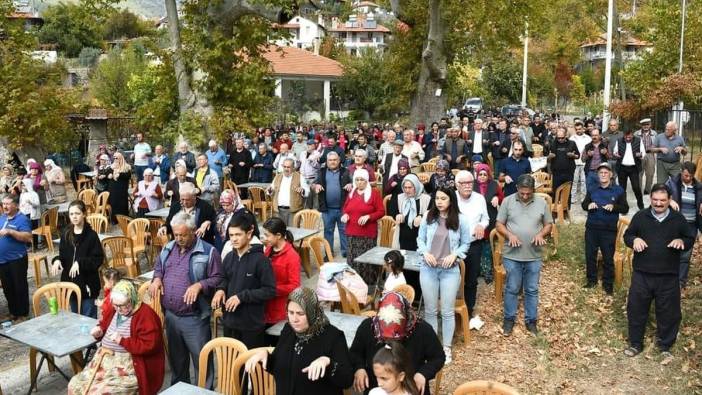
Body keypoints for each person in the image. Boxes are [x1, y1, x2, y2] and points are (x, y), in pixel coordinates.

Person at [623, 184, 696, 358]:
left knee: (669, 312)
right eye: (655, 200)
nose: (658, 204)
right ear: (651, 199)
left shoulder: (678, 219)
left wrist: (682, 241)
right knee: (636, 309)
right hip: (642, 274)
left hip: (668, 275)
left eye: (662, 200)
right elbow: (628, 235)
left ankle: (665, 346)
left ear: (669, 200)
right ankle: (635, 344)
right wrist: (634, 239)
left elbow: (689, 237)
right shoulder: (641, 217)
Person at [150, 211, 223, 387]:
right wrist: (157, 278)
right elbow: (159, 267)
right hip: (172, 316)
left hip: (194, 318)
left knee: (201, 361)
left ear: (193, 231)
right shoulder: (168, 248)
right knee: (177, 362)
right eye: (175, 234)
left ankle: (205, 391)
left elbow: (219, 278)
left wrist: (200, 285)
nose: (179, 238)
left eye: (183, 235)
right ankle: (179, 389)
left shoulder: (208, 251)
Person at [244, 287, 354, 395]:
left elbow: (347, 380)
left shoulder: (333, 336)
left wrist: (328, 363)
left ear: (312, 312)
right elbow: (280, 367)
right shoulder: (289, 330)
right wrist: (266, 357)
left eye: (300, 313)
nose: (294, 319)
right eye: (290, 313)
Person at [68, 280, 165, 395]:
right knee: (74, 385)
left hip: (128, 367)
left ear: (132, 299)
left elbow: (149, 345)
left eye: (123, 305)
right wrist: (100, 331)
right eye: (115, 305)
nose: (118, 309)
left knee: (97, 392)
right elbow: (104, 324)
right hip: (103, 359)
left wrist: (122, 340)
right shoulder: (115, 309)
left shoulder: (146, 315)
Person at [416, 187, 471, 363]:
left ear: (451, 200)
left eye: (443, 198)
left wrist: (455, 254)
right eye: (437, 198)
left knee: (447, 312)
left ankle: (446, 347)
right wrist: (425, 252)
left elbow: (465, 244)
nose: (439, 201)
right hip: (428, 268)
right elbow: (420, 239)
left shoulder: (461, 220)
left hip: (450, 271)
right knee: (430, 310)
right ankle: (432, 347)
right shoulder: (428, 217)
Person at [496, 174, 553, 336]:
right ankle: (508, 319)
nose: (525, 196)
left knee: (532, 289)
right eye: (522, 193)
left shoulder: (541, 203)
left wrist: (542, 234)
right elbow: (499, 224)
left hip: (534, 254)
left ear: (533, 190)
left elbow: (549, 224)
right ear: (517, 189)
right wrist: (510, 235)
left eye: (529, 193)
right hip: (512, 254)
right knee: (512, 288)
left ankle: (531, 321)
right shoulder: (508, 201)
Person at [212, 211, 276, 348]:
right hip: (229, 323)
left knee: (249, 368)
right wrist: (221, 290)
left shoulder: (261, 261)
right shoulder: (229, 257)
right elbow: (224, 278)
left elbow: (269, 291)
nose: (234, 239)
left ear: (249, 234)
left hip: (251, 326)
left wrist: (241, 297)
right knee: (231, 365)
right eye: (231, 235)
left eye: (238, 235)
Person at [50, 200, 105, 317]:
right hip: (70, 286)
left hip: (87, 286)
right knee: (75, 317)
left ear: (84, 214)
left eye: (77, 213)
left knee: (88, 319)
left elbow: (98, 259)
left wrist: (80, 263)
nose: (74, 217)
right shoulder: (66, 234)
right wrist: (57, 260)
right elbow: (63, 256)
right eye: (71, 214)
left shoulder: (91, 235)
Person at [581, 163, 629, 294]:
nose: (603, 175)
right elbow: (583, 204)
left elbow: (625, 208)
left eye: (606, 173)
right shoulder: (592, 188)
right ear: (598, 175)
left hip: (608, 229)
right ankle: (591, 281)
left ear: (611, 175)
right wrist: (588, 205)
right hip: (592, 227)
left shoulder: (618, 190)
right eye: (601, 173)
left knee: (608, 257)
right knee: (590, 255)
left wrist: (614, 207)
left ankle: (608, 284)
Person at [454, 170, 489, 320]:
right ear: (457, 185)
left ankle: (468, 310)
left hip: (474, 244)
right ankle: (451, 309)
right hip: (453, 245)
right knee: (452, 278)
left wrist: (481, 225)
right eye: (464, 183)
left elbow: (486, 219)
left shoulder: (479, 198)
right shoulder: (451, 198)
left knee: (471, 279)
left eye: (470, 183)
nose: (468, 186)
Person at [342, 169, 385, 285]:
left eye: (362, 180)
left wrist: (369, 217)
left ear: (366, 181)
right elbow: (345, 208)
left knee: (367, 260)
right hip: (352, 233)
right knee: (353, 259)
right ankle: (354, 284)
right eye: (357, 180)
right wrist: (345, 214)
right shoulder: (352, 193)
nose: (359, 182)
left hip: (367, 234)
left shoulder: (374, 193)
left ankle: (369, 285)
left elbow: (381, 211)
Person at [665, 161, 702, 289]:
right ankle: (668, 278)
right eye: (685, 175)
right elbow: (660, 194)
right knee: (671, 251)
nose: (687, 178)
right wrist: (670, 201)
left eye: (690, 176)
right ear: (681, 172)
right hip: (675, 224)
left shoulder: (698, 187)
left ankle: (680, 282)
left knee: (685, 255)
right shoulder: (672, 183)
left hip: (691, 226)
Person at [262, 217, 301, 335]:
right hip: (265, 307)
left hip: (279, 310)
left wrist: (272, 289)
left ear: (278, 235)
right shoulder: (269, 249)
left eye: (267, 235)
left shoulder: (292, 256)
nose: (264, 238)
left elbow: (295, 285)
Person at [0, 194, 32, 321]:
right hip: (2, 260)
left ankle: (23, 313)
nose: (5, 206)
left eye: (8, 203)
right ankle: (13, 312)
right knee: (7, 288)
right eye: (3, 203)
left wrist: (11, 232)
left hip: (17, 259)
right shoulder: (2, 218)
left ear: (16, 205)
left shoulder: (22, 219)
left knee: (19, 286)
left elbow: (28, 237)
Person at [314, 152, 351, 258]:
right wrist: (316, 186)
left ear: (339, 161)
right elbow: (312, 184)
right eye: (330, 160)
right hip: (327, 209)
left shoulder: (346, 171)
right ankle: (328, 253)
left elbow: (354, 183)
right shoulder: (321, 172)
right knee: (328, 231)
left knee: (344, 230)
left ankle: (345, 252)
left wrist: (351, 184)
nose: (332, 162)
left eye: (335, 160)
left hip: (343, 208)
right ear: (327, 161)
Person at [473, 163, 503, 284]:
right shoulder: (473, 185)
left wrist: (497, 197)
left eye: (485, 174)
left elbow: (502, 197)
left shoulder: (494, 185)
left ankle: (487, 271)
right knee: (476, 246)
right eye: (480, 174)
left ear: (488, 175)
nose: (482, 176)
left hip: (490, 219)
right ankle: (476, 271)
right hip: (476, 220)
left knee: (487, 246)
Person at [388, 174, 431, 251]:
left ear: (416, 186)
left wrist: (422, 217)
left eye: (410, 187)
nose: (407, 190)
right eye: (405, 188)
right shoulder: (399, 197)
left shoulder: (426, 199)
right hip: (403, 235)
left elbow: (432, 214)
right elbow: (392, 211)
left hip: (420, 236)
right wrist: (397, 215)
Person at [269, 158, 310, 226]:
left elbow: (307, 192)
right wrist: (270, 190)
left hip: (293, 210)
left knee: (293, 232)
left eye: (288, 167)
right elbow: (271, 190)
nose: (286, 169)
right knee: (279, 232)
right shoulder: (277, 177)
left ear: (293, 167)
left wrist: (302, 190)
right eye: (284, 167)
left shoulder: (299, 177)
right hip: (278, 210)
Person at [614, 130, 646, 210]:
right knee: (622, 188)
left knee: (636, 187)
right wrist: (616, 154)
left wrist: (640, 155)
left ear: (632, 135)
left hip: (633, 168)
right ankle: (624, 206)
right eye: (626, 136)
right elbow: (615, 151)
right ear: (624, 135)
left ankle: (640, 203)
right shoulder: (619, 140)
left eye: (630, 136)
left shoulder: (638, 140)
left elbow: (643, 153)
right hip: (622, 167)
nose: (628, 138)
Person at [548, 127, 579, 206]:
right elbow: (548, 158)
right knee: (555, 192)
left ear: (566, 136)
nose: (560, 140)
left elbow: (578, 155)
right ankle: (555, 210)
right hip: (557, 172)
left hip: (568, 172)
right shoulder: (553, 143)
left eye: (562, 138)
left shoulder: (572, 143)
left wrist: (573, 155)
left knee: (567, 192)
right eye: (558, 138)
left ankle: (566, 210)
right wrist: (549, 157)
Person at [569, 122, 592, 203]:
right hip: (574, 163)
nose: (578, 131)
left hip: (585, 163)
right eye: (577, 129)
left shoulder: (588, 138)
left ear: (583, 129)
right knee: (574, 181)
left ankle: (583, 198)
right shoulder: (572, 138)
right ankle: (573, 198)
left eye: (580, 129)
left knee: (584, 181)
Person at [108, 152, 132, 222]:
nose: (115, 159)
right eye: (114, 157)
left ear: (120, 158)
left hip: (122, 188)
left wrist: (120, 174)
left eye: (116, 158)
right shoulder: (112, 166)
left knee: (122, 203)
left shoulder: (126, 166)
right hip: (113, 188)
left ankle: (123, 219)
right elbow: (108, 173)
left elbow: (128, 175)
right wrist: (109, 175)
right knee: (113, 203)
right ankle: (114, 219)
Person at [635, 118, 657, 194]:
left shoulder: (654, 133)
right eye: (644, 125)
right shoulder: (636, 134)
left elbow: (656, 144)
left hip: (650, 154)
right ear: (641, 125)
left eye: (647, 124)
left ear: (650, 125)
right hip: (640, 154)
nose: (646, 126)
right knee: (639, 173)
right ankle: (639, 190)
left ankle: (647, 190)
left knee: (650, 173)